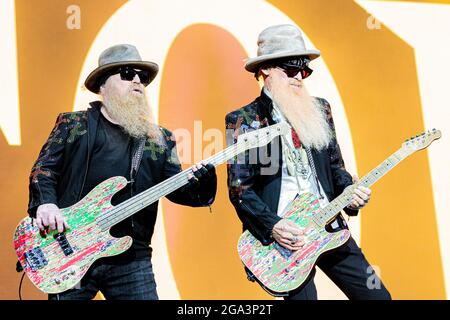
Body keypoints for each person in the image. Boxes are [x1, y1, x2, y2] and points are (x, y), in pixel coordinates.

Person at [28, 44, 217, 300]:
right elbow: (44, 170)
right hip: (71, 250)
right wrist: (46, 205)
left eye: (143, 77)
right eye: (128, 73)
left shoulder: (159, 138)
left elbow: (180, 192)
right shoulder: (74, 125)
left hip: (131, 258)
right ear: (102, 86)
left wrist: (204, 182)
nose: (138, 81)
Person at [225, 24, 391, 300]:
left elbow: (335, 167)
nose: (299, 77)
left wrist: (350, 192)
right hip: (285, 240)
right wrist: (273, 226)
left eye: (304, 70)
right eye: (290, 69)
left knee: (378, 298)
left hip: (328, 226)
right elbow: (240, 190)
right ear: (266, 69)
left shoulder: (321, 109)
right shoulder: (244, 119)